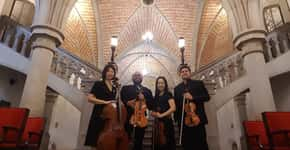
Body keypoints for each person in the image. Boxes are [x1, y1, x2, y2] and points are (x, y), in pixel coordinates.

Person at [174, 65, 210, 150]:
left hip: (197, 119)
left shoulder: (198, 84)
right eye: (182, 72)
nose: (184, 73)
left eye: (186, 71)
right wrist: (177, 119)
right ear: (180, 74)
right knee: (187, 145)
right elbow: (177, 104)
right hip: (184, 121)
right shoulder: (177, 88)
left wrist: (193, 97)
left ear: (190, 73)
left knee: (201, 144)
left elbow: (207, 97)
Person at [84, 64, 117, 148]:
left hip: (109, 117)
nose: (110, 73)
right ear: (104, 72)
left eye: (112, 71)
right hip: (99, 114)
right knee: (95, 140)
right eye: (108, 71)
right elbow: (90, 98)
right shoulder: (98, 84)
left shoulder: (114, 88)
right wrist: (104, 102)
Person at [121, 71, 154, 150]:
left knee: (139, 141)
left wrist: (144, 99)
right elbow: (122, 100)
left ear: (142, 78)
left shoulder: (147, 90)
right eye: (135, 75)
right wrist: (128, 103)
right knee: (127, 139)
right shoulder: (125, 88)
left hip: (141, 118)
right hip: (128, 117)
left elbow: (151, 105)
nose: (137, 76)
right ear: (132, 78)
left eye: (139, 75)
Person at [151, 76, 176, 150]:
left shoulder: (168, 94)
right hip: (157, 124)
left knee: (167, 144)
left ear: (165, 84)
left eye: (162, 83)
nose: (160, 85)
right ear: (156, 85)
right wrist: (154, 113)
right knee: (158, 143)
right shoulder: (156, 96)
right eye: (158, 83)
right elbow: (153, 111)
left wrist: (161, 115)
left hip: (167, 123)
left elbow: (173, 108)